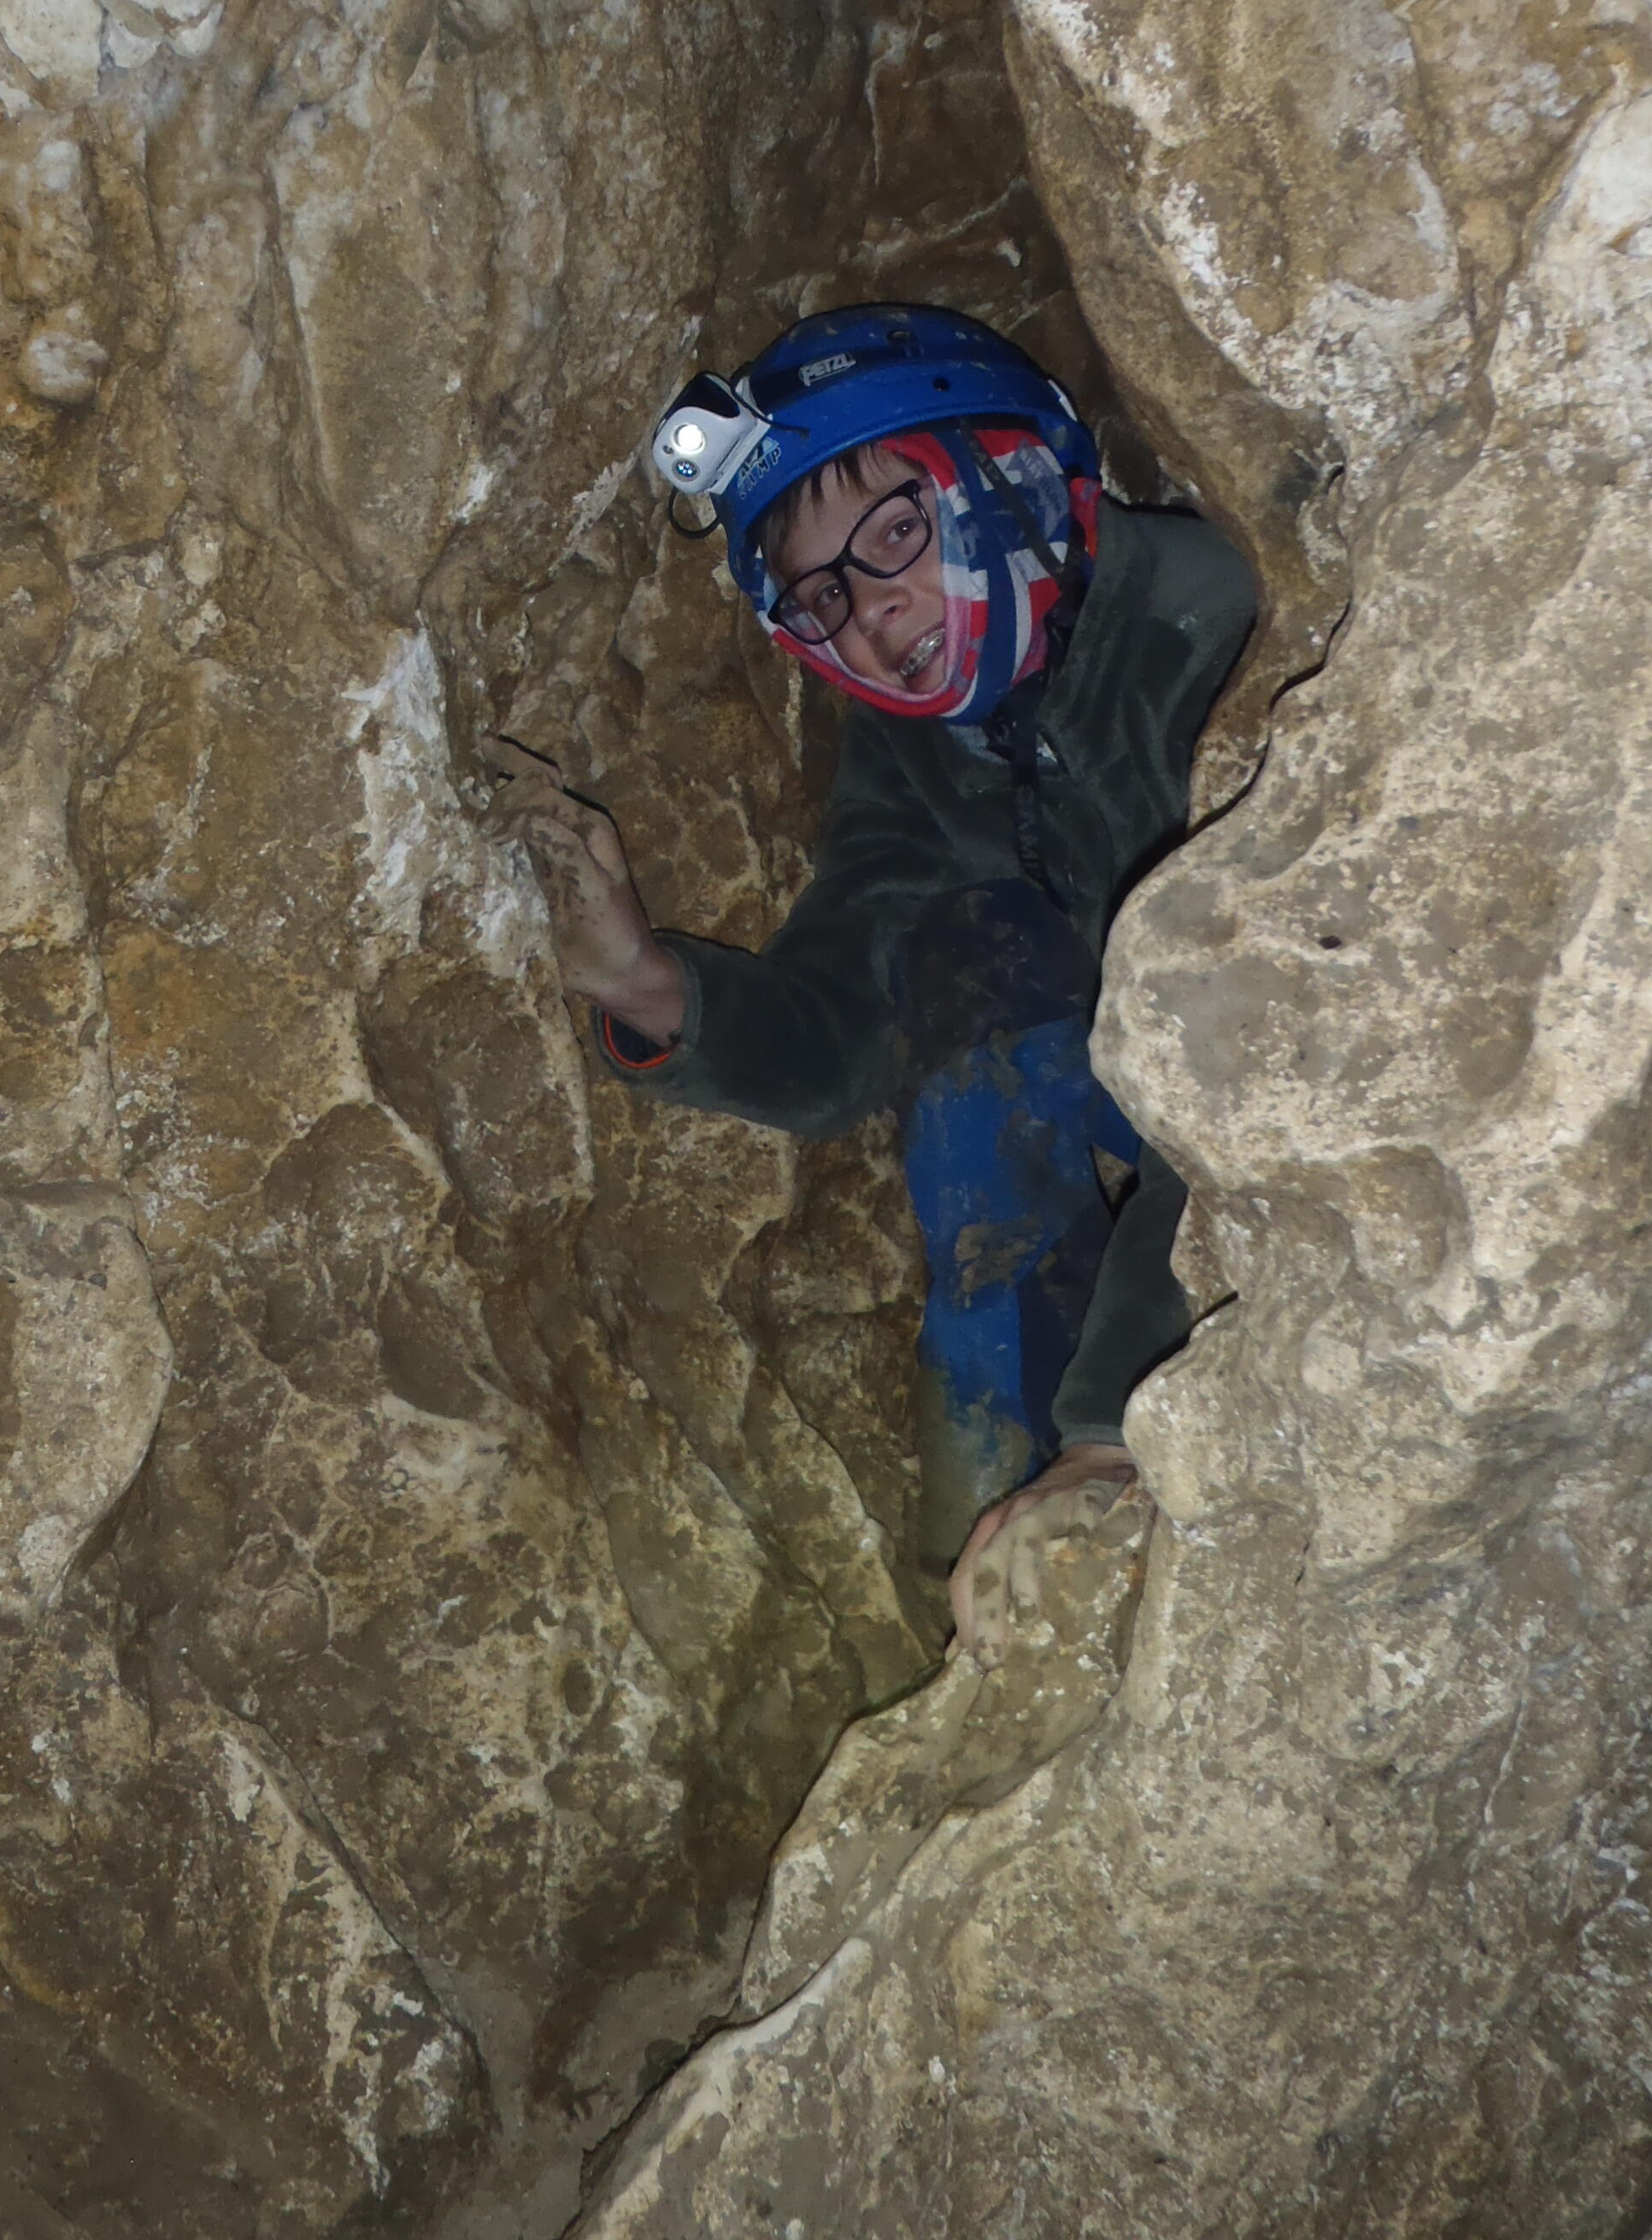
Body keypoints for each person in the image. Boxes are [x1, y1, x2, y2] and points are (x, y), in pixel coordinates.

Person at [493, 303, 1256, 1655]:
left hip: (1274, 1140)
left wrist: (1115, 1426)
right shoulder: (933, 751)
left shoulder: (1211, 634)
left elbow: (1251, 1088)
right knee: (966, 956)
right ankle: (983, 1584)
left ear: (1017, 478)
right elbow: (853, 1030)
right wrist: (643, 981)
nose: (870, 610)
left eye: (896, 532)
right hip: (1140, 1100)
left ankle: (1091, 1502)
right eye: (821, 598)